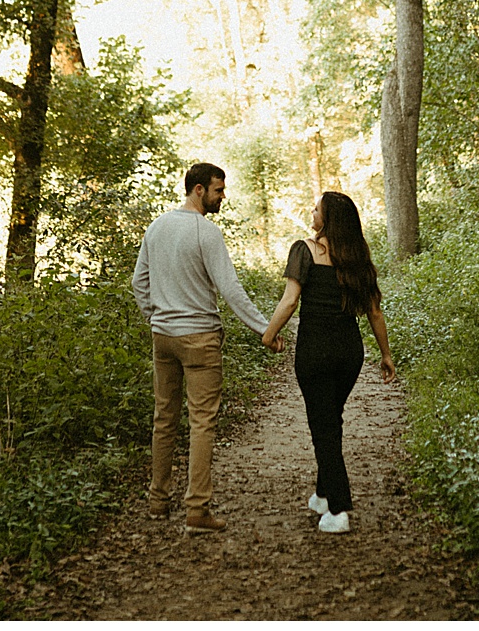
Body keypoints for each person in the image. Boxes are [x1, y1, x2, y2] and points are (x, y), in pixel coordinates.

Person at [132, 161, 280, 534]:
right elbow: (231, 290)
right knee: (202, 423)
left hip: (163, 338)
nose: (222, 197)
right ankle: (197, 510)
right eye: (218, 190)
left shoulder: (157, 226)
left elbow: (139, 283)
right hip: (200, 338)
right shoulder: (205, 232)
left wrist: (155, 317)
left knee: (163, 419)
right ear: (198, 189)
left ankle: (157, 502)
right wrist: (266, 329)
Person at [260, 190, 395, 534]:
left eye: (316, 208)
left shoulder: (304, 250)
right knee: (329, 419)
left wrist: (268, 334)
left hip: (315, 352)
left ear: (328, 218)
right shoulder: (357, 256)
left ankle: (338, 508)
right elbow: (375, 312)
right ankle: (322, 494)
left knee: (323, 427)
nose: (312, 211)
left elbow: (290, 301)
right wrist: (386, 355)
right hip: (350, 353)